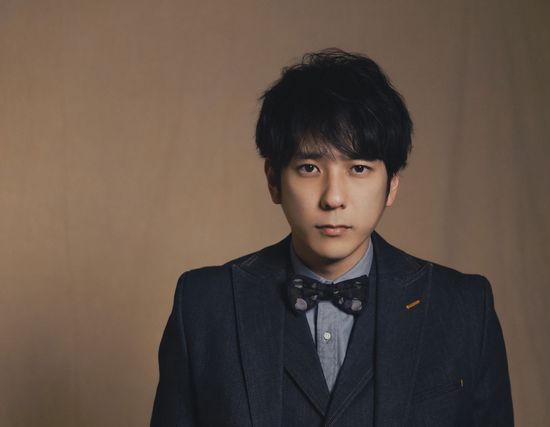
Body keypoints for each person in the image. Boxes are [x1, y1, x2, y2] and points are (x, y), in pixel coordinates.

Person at [151, 48, 513, 426]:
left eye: (359, 168)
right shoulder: (205, 307)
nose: (334, 198)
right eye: (310, 168)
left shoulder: (464, 308)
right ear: (273, 180)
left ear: (392, 184)